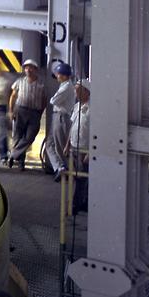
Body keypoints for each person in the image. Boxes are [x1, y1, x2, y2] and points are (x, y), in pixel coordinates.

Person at [5, 59, 47, 170]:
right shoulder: (19, 81)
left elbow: (44, 100)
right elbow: (13, 96)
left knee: (29, 137)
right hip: (20, 110)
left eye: (30, 67)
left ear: (35, 70)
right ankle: (20, 162)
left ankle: (12, 155)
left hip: (34, 113)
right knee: (18, 136)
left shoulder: (41, 84)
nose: (28, 69)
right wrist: (11, 110)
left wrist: (40, 113)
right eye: (26, 67)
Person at [43, 62, 75, 176]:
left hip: (61, 117)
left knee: (61, 146)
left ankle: (70, 171)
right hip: (57, 116)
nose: (57, 76)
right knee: (49, 145)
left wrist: (52, 98)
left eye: (59, 74)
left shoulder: (67, 87)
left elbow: (53, 101)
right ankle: (59, 167)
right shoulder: (64, 85)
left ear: (65, 75)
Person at [66, 78, 91, 213]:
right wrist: (67, 145)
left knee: (82, 178)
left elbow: (96, 131)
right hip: (74, 147)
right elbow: (73, 126)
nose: (76, 94)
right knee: (78, 176)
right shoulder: (77, 106)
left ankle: (76, 204)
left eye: (78, 91)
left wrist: (90, 152)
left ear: (87, 92)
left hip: (85, 149)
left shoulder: (93, 109)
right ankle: (83, 202)